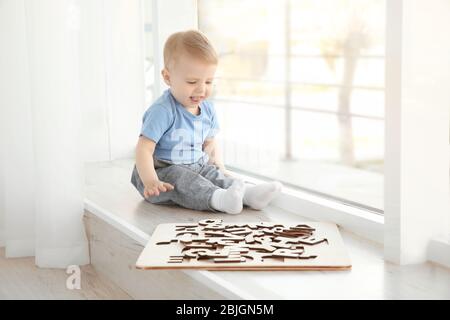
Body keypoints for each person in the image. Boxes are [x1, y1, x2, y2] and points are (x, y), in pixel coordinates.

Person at [131, 30, 282, 214]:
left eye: (209, 81)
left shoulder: (207, 110)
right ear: (168, 77)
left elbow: (209, 143)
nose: (201, 89)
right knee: (183, 179)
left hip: (197, 166)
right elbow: (144, 149)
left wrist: (219, 165)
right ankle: (219, 200)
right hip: (162, 173)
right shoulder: (162, 110)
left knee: (213, 174)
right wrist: (150, 181)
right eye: (192, 81)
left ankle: (248, 194)